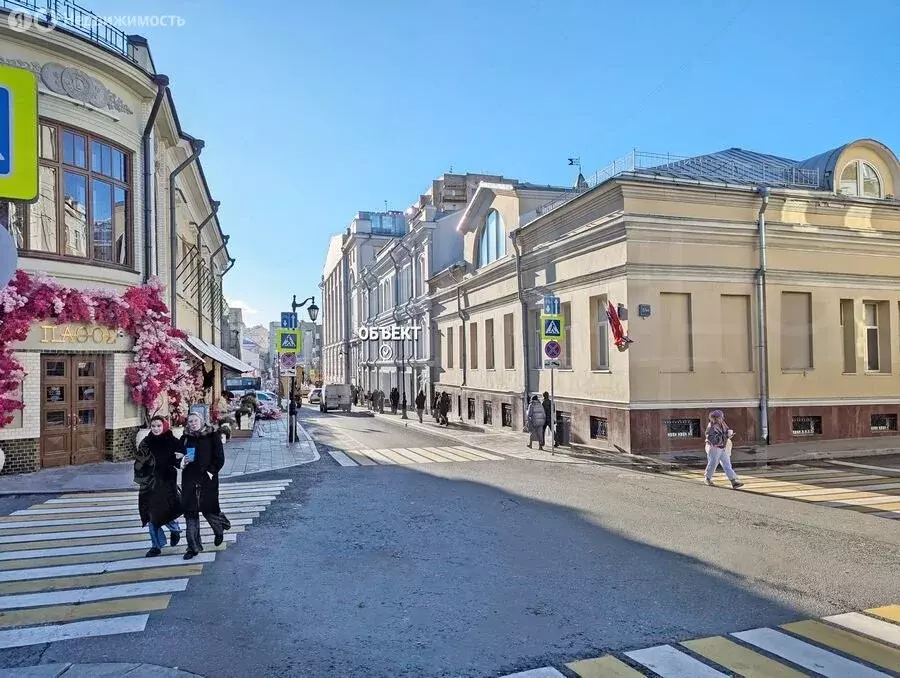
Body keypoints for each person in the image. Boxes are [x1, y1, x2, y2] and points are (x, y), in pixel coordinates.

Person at [180, 412, 231, 560]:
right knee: (190, 513)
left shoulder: (212, 436)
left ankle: (219, 529)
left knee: (209, 511)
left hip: (207, 479)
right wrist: (182, 461)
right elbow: (175, 455)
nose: (193, 423)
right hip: (189, 479)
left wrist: (211, 471)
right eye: (190, 422)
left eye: (195, 420)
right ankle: (193, 547)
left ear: (202, 421)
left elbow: (219, 458)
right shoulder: (185, 438)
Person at [134, 416, 183, 557]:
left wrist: (182, 460)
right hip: (149, 484)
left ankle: (175, 529)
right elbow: (139, 461)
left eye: (158, 426)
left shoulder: (171, 441)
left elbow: (181, 457)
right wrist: (141, 476)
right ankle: (156, 546)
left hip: (166, 482)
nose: (155, 429)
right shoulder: (146, 442)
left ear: (164, 426)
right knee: (150, 515)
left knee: (166, 511)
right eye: (153, 426)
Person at [704, 409, 744, 489]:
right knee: (713, 464)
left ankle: (733, 482)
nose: (720, 419)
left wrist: (729, 434)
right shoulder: (711, 427)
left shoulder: (722, 424)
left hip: (723, 447)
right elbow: (712, 439)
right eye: (718, 418)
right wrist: (725, 436)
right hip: (714, 448)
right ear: (713, 418)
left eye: (721, 417)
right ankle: (707, 479)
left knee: (727, 464)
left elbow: (726, 431)